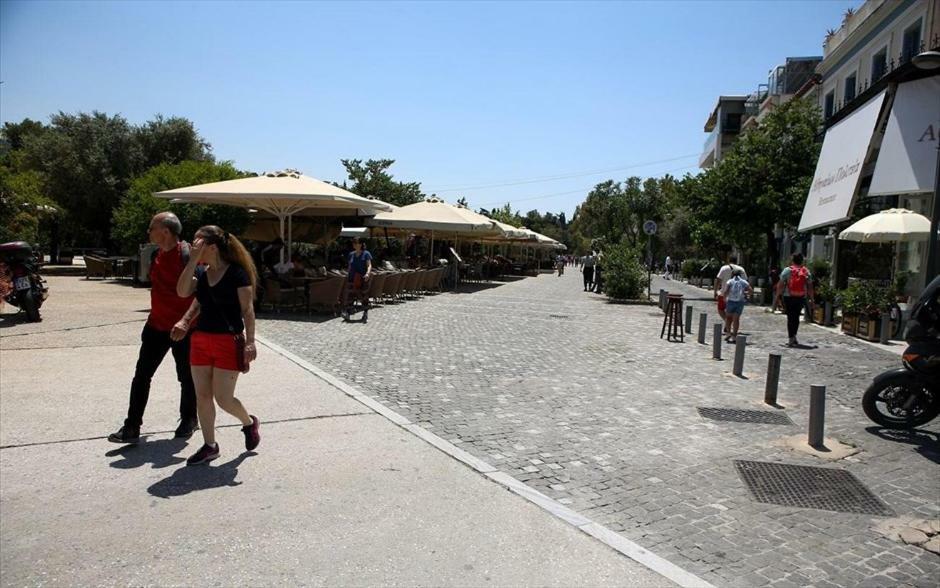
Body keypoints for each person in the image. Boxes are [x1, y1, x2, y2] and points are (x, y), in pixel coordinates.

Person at [108, 212, 198, 444]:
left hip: (183, 329)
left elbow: (202, 296)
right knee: (142, 376)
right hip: (156, 326)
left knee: (186, 377)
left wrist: (185, 321)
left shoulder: (189, 256)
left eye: (152, 228)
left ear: (165, 231)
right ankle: (131, 427)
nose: (148, 232)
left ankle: (189, 419)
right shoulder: (157, 254)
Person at [175, 225, 260, 465]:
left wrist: (251, 342)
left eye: (197, 243)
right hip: (201, 339)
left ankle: (248, 422)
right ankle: (210, 445)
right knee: (202, 396)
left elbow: (248, 310)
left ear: (212, 247)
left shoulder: (237, 273)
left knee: (224, 399)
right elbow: (182, 292)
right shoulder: (201, 273)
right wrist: (192, 262)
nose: (193, 246)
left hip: (227, 341)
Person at [776, 253, 814, 348]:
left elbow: (780, 284)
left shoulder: (787, 270)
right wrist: (812, 299)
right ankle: (794, 337)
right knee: (796, 317)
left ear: (792, 260)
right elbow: (810, 286)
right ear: (802, 261)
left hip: (788, 296)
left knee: (790, 317)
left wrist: (777, 296)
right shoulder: (806, 271)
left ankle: (790, 339)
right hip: (801, 297)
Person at [342, 238, 372, 322]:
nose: (354, 244)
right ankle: (347, 313)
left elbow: (369, 265)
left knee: (363, 296)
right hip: (352, 278)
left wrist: (367, 274)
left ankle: (365, 313)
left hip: (362, 279)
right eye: (353, 243)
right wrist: (347, 274)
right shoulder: (351, 254)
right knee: (350, 296)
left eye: (356, 243)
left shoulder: (366, 254)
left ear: (361, 244)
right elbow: (349, 266)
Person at [714, 255, 747, 331]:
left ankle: (727, 323)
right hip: (737, 296)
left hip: (723, 293)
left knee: (720, 310)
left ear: (729, 260)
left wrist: (715, 291)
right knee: (734, 313)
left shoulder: (724, 268)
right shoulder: (741, 269)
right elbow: (745, 282)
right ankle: (728, 324)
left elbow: (718, 280)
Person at [721, 268, 751, 342]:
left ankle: (728, 333)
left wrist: (724, 298)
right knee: (736, 319)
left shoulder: (730, 281)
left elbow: (726, 291)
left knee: (728, 318)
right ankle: (734, 335)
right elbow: (750, 290)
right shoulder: (743, 282)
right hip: (740, 302)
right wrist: (745, 294)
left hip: (731, 301)